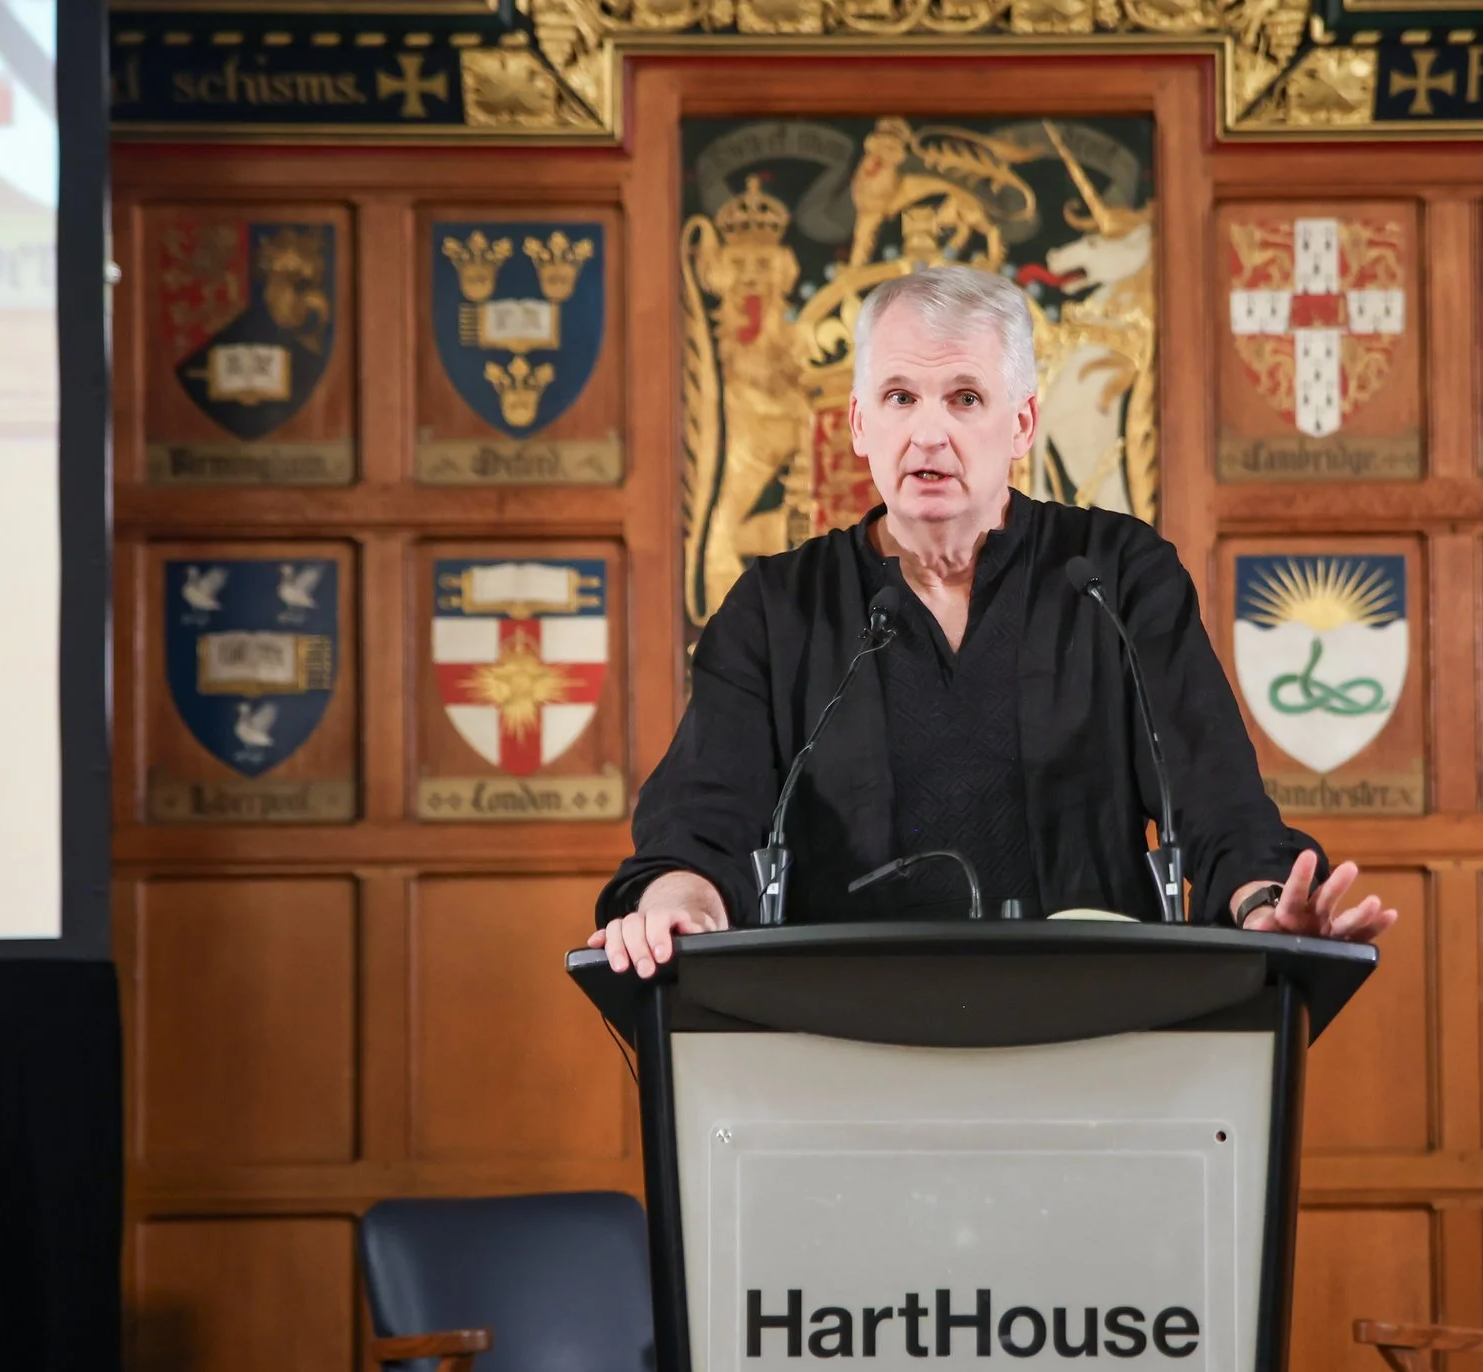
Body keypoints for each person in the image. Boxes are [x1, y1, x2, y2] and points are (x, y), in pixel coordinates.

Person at [589, 265, 1396, 975]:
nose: (929, 432)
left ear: (1020, 423)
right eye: (900, 397)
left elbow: (1217, 806)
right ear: (860, 423)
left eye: (965, 397)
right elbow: (702, 819)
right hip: (843, 1034)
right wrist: (679, 902)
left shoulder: (1117, 578)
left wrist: (1264, 904)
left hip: (1088, 1028)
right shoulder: (775, 608)